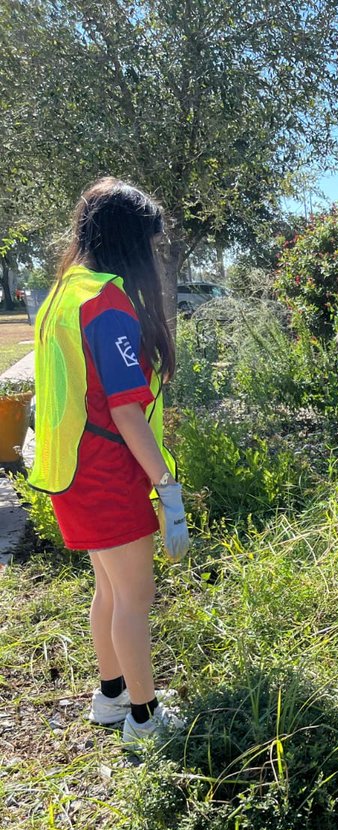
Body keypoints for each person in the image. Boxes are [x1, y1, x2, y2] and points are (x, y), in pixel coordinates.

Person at [28, 177, 189, 740]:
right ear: (128, 240)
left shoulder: (63, 294)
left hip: (71, 470)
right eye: (148, 243)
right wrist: (167, 487)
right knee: (136, 599)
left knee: (111, 591)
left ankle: (113, 695)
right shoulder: (105, 302)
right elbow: (125, 410)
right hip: (106, 472)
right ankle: (145, 719)